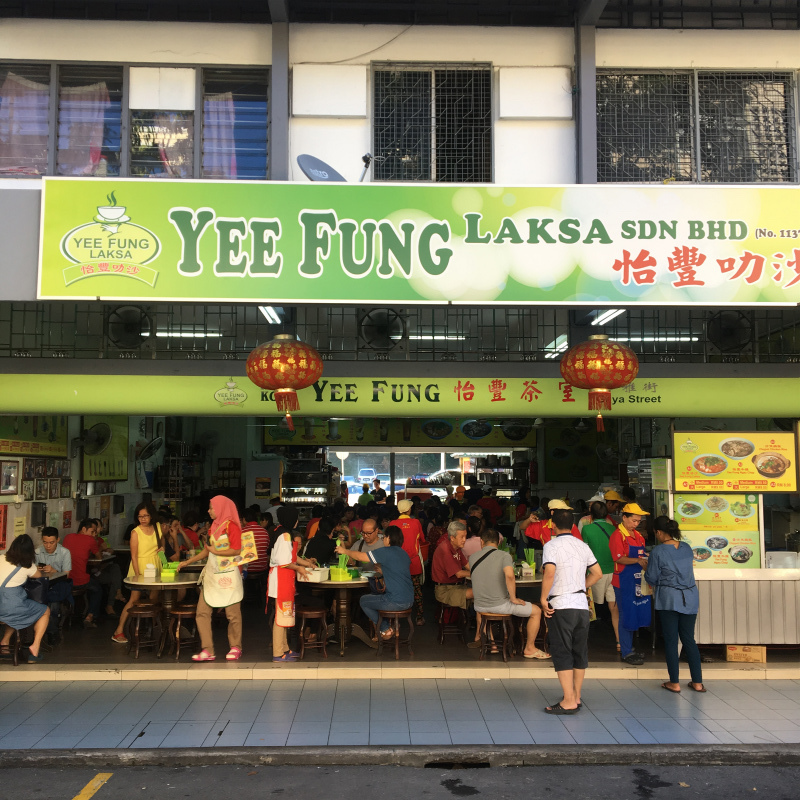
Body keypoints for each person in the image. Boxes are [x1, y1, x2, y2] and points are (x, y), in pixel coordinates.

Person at [539, 509, 603, 714]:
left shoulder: (551, 545)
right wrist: (581, 587)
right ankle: (576, 695)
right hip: (581, 606)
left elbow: (550, 572)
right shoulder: (582, 546)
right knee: (579, 651)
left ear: (553, 525)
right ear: (573, 526)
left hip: (561, 605)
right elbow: (598, 573)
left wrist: (543, 598)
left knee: (562, 651)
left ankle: (568, 700)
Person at [179, 496, 245, 662]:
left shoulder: (232, 527)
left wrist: (216, 552)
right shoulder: (213, 527)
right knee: (202, 612)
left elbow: (237, 550)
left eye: (211, 508)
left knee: (233, 615)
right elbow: (206, 551)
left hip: (229, 576)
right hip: (212, 576)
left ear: (221, 508)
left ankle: (236, 647)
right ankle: (207, 649)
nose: (209, 511)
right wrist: (188, 561)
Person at [469, 528, 549, 659]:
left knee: (484, 612)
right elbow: (510, 576)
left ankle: (493, 646)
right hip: (500, 606)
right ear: (499, 542)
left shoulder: (473, 557)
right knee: (536, 611)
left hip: (479, 606)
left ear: (481, 542)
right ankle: (529, 648)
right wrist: (513, 598)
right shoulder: (504, 556)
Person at [645, 516, 704, 694]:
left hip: (669, 598)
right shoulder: (686, 548)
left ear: (659, 532)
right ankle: (698, 683)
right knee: (689, 639)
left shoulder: (658, 551)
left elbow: (652, 577)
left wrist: (646, 567)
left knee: (671, 641)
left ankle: (674, 683)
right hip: (690, 597)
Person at [336, 524, 413, 641]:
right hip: (409, 600)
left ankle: (385, 628)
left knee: (364, 600)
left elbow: (361, 557)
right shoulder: (404, 553)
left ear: (388, 538)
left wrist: (345, 551)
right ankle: (393, 626)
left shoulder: (386, 551)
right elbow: (399, 571)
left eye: (384, 537)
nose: (383, 540)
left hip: (394, 601)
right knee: (375, 598)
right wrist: (383, 571)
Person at [268, 506, 315, 662]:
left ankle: (285, 649)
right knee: (281, 618)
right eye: (296, 518)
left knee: (284, 615)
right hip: (281, 580)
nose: (297, 521)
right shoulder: (285, 536)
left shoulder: (282, 532)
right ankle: (278, 653)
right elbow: (285, 562)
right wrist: (300, 568)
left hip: (284, 580)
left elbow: (292, 557)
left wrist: (307, 564)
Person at [111, 502, 163, 644]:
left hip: (155, 566)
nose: (143, 519)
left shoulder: (158, 527)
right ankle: (118, 630)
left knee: (154, 599)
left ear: (151, 515)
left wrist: (163, 553)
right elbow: (134, 556)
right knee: (134, 600)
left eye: (146, 516)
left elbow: (161, 546)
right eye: (140, 516)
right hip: (139, 567)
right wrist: (138, 575)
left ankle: (151, 629)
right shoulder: (135, 532)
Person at [609, 502, 651, 665]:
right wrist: (637, 560)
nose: (636, 524)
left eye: (638, 521)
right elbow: (618, 558)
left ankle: (630, 648)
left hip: (638, 580)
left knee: (635, 613)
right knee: (626, 614)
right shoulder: (617, 535)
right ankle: (626, 651)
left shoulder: (638, 535)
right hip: (623, 581)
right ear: (624, 517)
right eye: (634, 520)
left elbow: (642, 554)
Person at [0, 534, 50, 662]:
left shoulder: (1, 558)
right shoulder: (27, 566)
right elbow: (38, 576)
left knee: (15, 614)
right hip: (10, 607)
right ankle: (35, 646)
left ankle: (5, 642)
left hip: (4, 608)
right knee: (45, 611)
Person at [580, 500, 620, 652]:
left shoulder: (587, 529)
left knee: (588, 607)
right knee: (614, 608)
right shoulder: (614, 528)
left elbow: (584, 554)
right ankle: (619, 641)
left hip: (595, 573)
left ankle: (582, 642)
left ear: (591, 515)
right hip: (613, 572)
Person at [35, 527, 73, 645]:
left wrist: (54, 571)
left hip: (59, 584)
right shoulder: (37, 552)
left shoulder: (65, 552)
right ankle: (37, 633)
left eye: (51, 542)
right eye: (45, 542)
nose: (48, 546)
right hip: (43, 584)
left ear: (57, 540)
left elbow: (67, 574)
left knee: (54, 603)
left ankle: (52, 633)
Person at [63, 518, 104, 628]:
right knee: (97, 589)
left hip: (66, 579)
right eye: (92, 531)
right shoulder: (90, 540)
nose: (94, 534)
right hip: (80, 580)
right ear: (84, 529)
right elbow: (99, 557)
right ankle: (90, 616)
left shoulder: (68, 537)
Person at [392, 498, 426, 626]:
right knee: (416, 590)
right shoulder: (416, 522)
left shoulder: (392, 524)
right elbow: (422, 539)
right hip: (413, 563)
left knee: (396, 590)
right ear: (409, 510)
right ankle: (419, 617)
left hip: (397, 564)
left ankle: (395, 619)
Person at [240, 507, 270, 576]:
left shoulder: (242, 532)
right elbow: (266, 548)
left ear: (244, 519)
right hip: (263, 569)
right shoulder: (264, 532)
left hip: (247, 571)